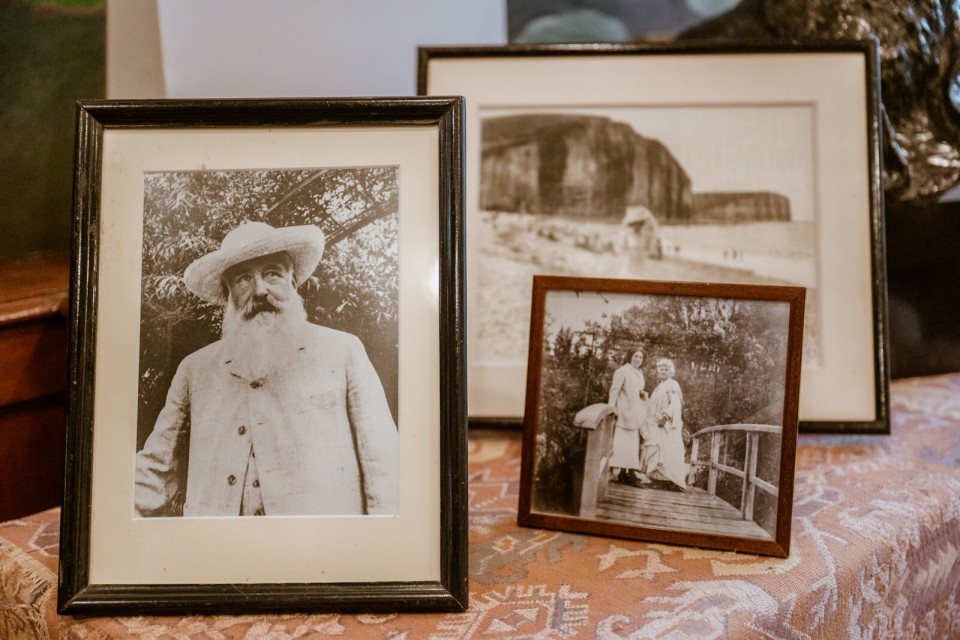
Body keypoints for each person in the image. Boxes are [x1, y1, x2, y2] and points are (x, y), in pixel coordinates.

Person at [134, 221, 399, 518]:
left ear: (294, 282)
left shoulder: (343, 351)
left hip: (319, 551)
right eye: (243, 279)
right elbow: (155, 469)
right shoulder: (195, 369)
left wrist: (380, 550)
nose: (260, 290)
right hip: (218, 551)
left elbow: (384, 465)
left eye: (272, 273)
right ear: (228, 295)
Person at [641, 358, 688, 491]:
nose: (663, 371)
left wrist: (666, 416)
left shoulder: (672, 384)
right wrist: (646, 399)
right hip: (657, 424)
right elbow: (652, 407)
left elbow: (675, 404)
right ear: (658, 371)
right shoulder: (659, 387)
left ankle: (670, 481)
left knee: (668, 451)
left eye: (666, 369)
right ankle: (658, 479)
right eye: (661, 369)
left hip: (666, 424)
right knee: (658, 450)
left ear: (670, 372)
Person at [606, 348, 648, 487]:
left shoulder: (640, 373)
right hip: (624, 411)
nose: (638, 359)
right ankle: (622, 472)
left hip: (635, 412)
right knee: (622, 442)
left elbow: (637, 390)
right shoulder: (623, 370)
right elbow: (615, 390)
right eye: (635, 356)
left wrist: (642, 395)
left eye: (640, 357)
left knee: (632, 443)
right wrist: (611, 408)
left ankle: (628, 472)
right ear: (630, 357)